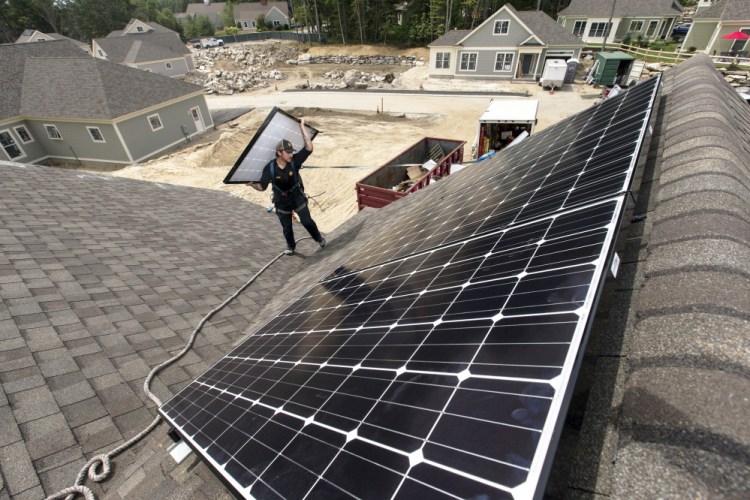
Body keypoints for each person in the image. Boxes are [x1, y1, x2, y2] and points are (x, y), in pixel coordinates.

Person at [247, 118, 326, 255]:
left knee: (307, 221)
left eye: (291, 151)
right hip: (281, 202)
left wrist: (302, 127)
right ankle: (291, 247)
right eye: (288, 152)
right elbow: (262, 187)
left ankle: (318, 238)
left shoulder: (294, 161)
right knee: (287, 227)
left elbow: (309, 147)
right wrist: (252, 185)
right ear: (279, 153)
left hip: (297, 197)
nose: (291, 154)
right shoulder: (270, 168)